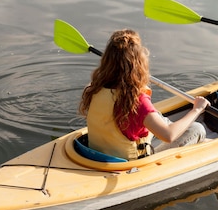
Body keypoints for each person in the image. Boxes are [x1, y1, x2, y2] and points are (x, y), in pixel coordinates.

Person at [79, 29, 210, 160]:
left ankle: (180, 130)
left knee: (156, 115)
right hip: (130, 163)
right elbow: (169, 135)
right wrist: (197, 109)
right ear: (139, 64)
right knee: (197, 129)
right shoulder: (137, 101)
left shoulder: (93, 88)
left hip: (97, 154)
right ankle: (202, 140)